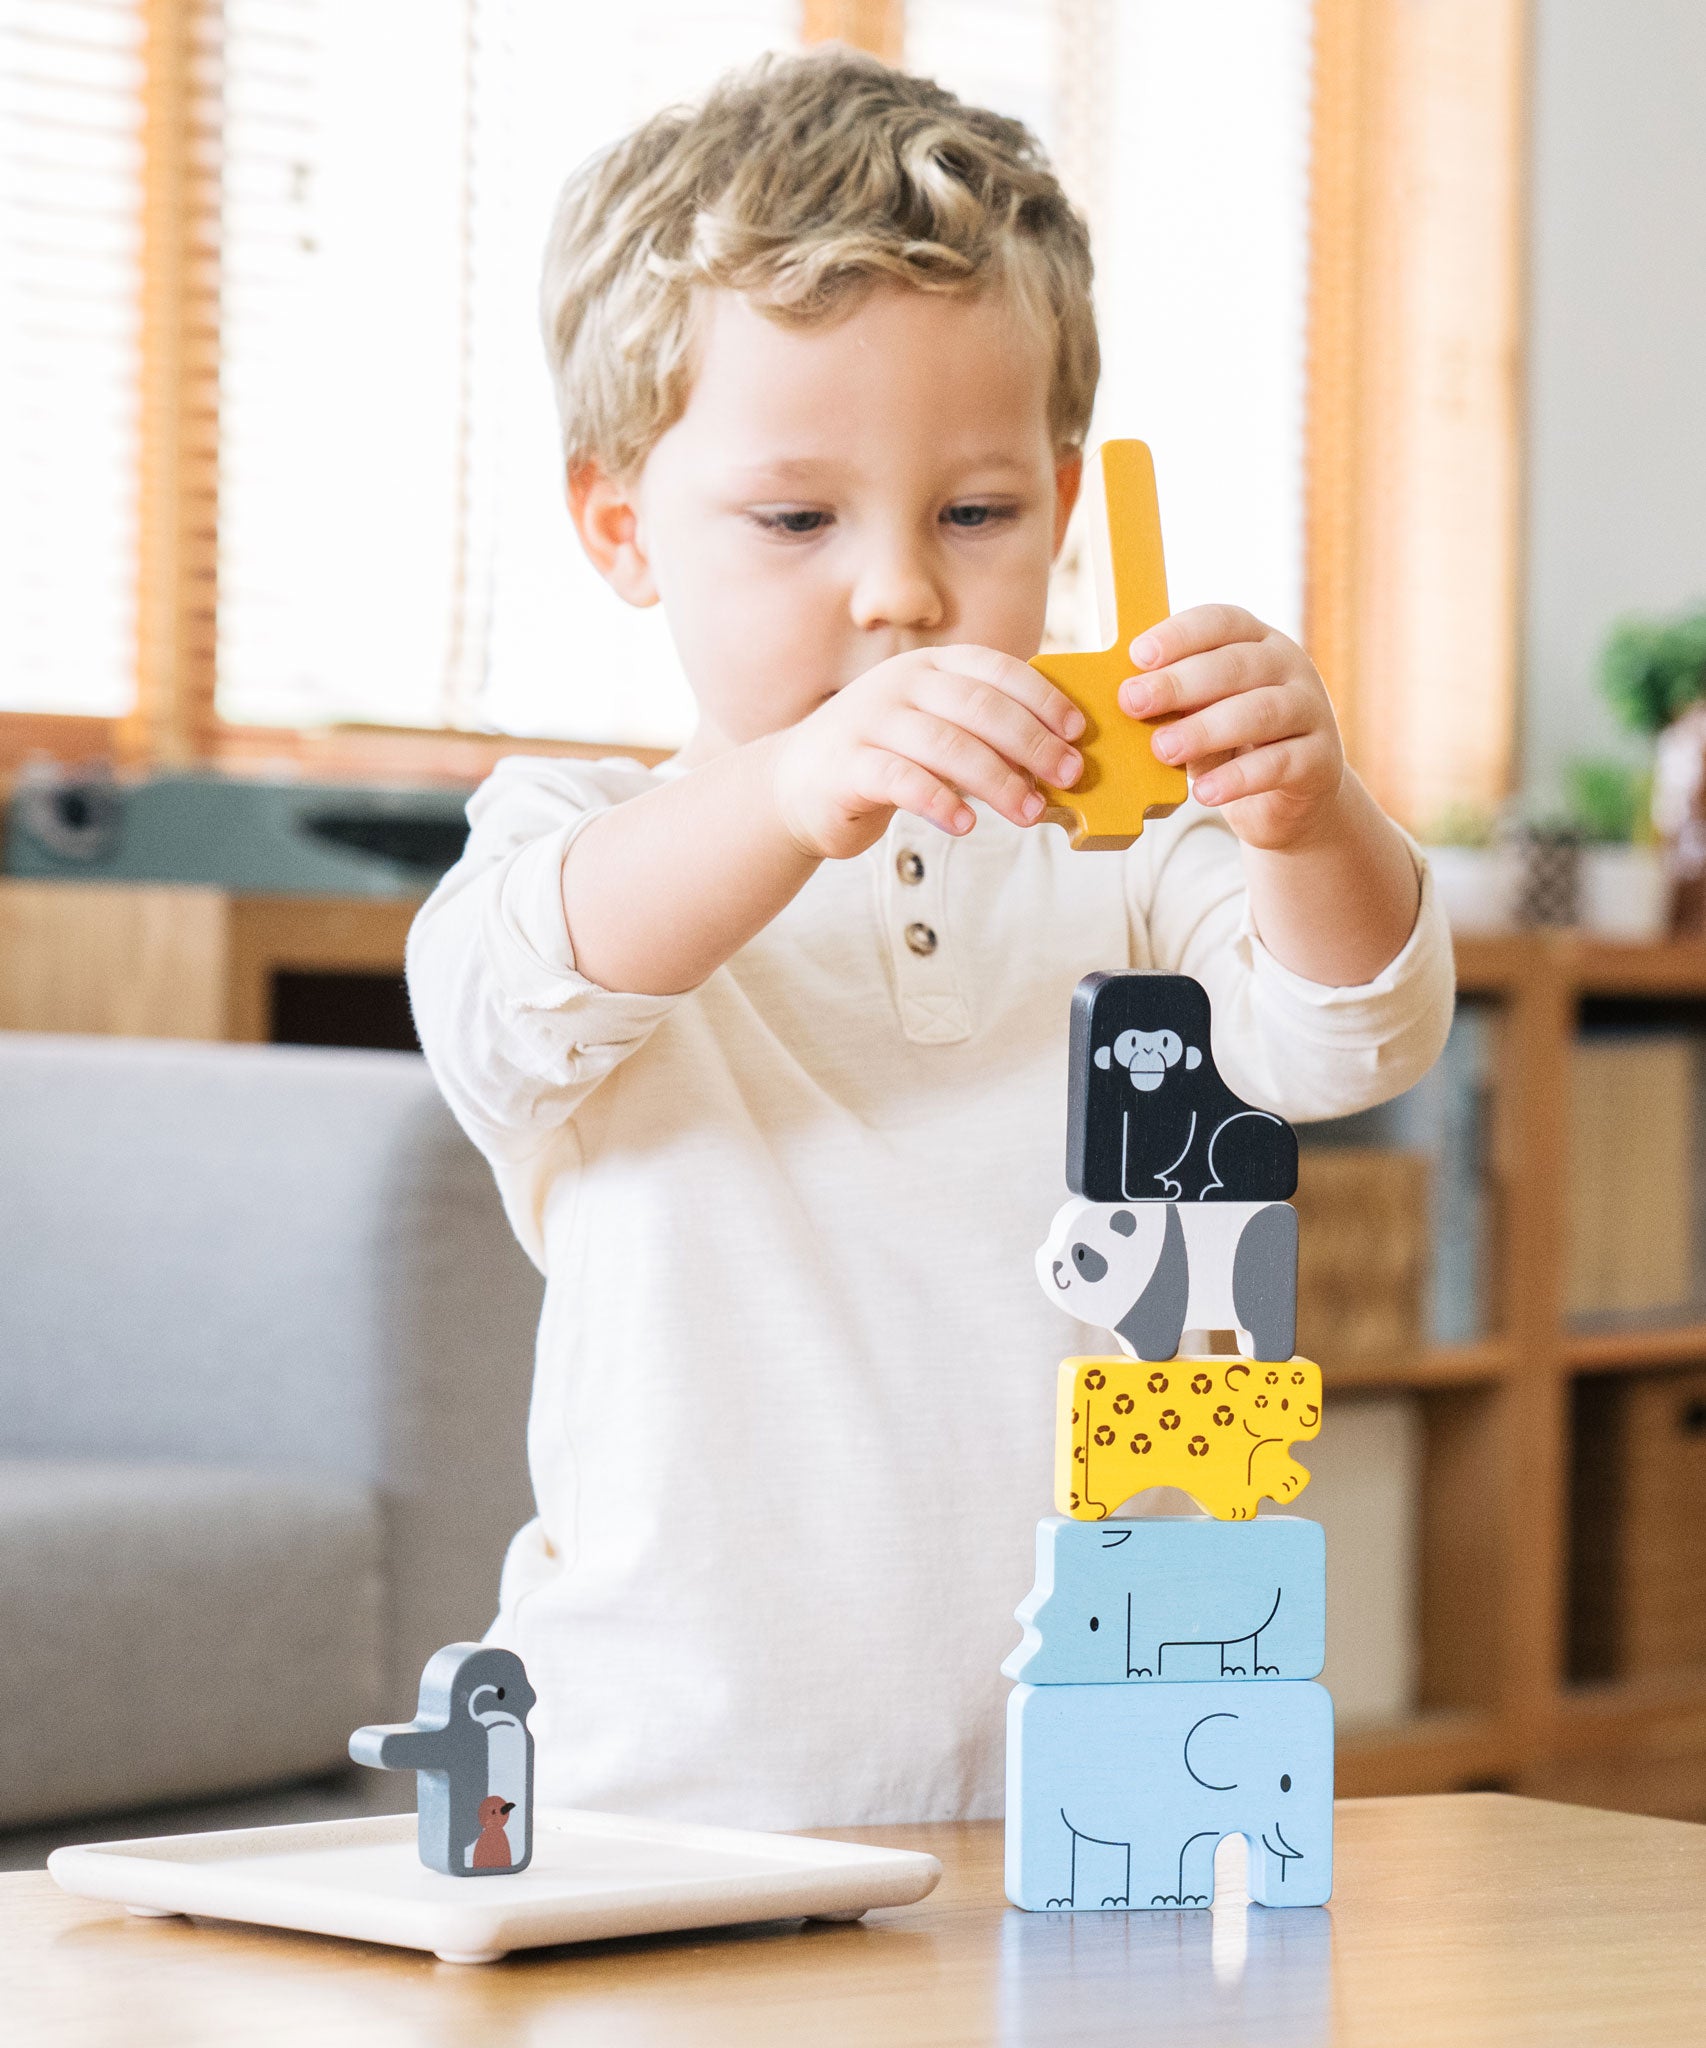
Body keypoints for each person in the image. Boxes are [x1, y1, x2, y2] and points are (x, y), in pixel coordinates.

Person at [407, 47, 1454, 1830]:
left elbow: (1348, 1036)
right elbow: (507, 1000)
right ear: (618, 526)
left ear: (1061, 506)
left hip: (1099, 1788)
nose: (897, 587)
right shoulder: (579, 843)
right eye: (798, 520)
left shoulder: (1133, 855)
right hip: (668, 1795)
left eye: (974, 515)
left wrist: (1310, 811)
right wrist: (793, 791)